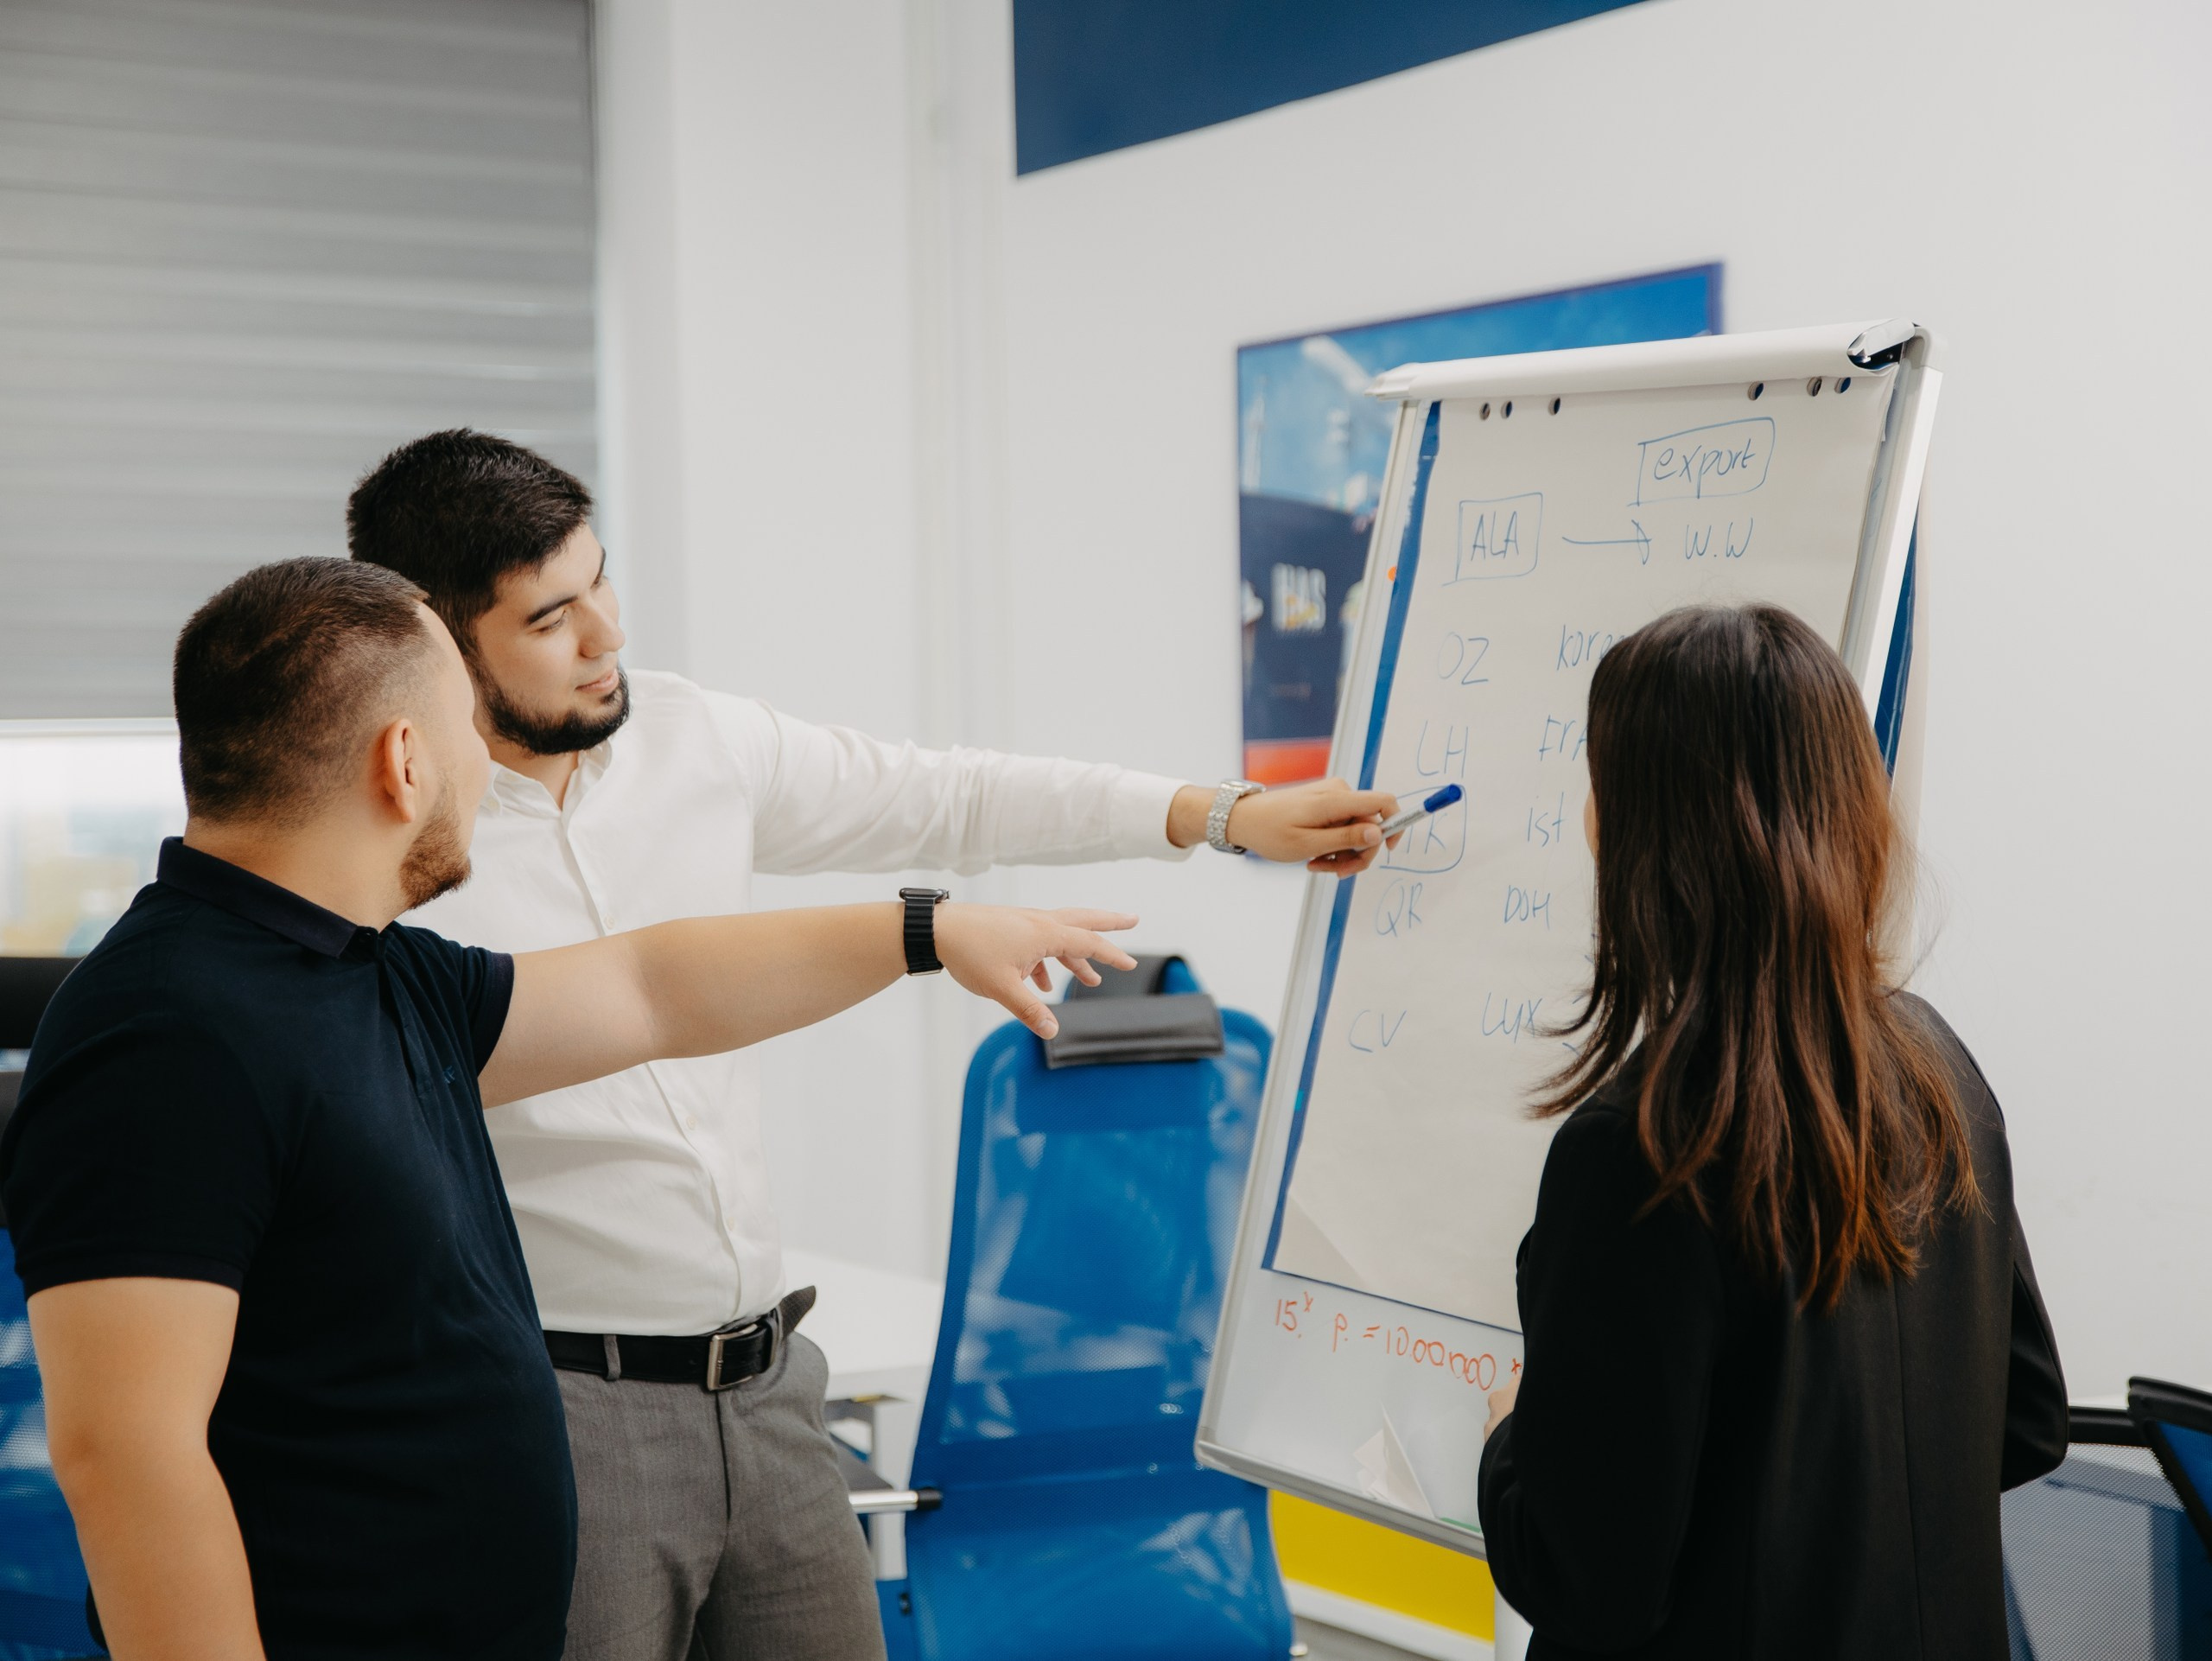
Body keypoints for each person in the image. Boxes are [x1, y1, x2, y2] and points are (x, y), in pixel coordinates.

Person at [344, 429, 1400, 1660]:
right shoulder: (387, 846)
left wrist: (1222, 813)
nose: (608, 635)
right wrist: (925, 931)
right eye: (551, 617)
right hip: (561, 1410)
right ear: (432, 636)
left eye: (603, 581)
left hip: (775, 1386)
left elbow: (948, 792)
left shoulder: (691, 738)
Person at [0, 558, 1139, 1661]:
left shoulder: (370, 970)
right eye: (465, 735)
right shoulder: (161, 1028)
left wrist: (926, 932)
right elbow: (124, 1452)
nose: (481, 770)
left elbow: (653, 986)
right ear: (404, 762)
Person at [1475, 604, 2069, 1660]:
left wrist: (1505, 1443)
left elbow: (1587, 1581)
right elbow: (2024, 1418)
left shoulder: (1643, 1147)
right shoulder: (1937, 1068)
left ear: (1646, 830)